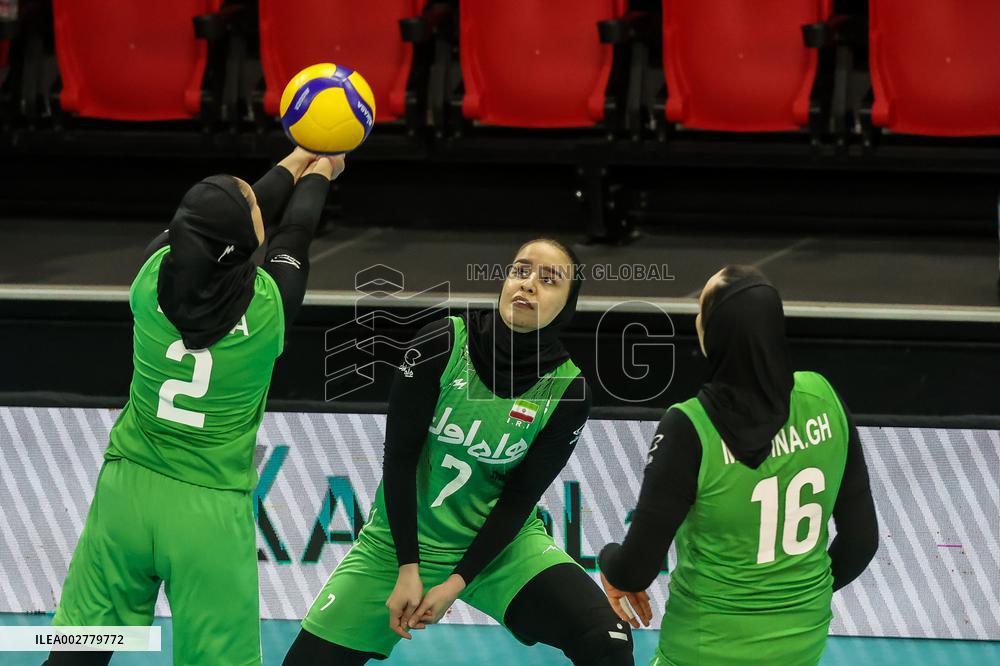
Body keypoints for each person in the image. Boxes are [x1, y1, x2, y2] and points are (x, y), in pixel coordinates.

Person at [47, 148, 346, 666]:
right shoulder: (270, 307)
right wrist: (321, 167)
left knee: (76, 654)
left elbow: (226, 222)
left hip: (127, 495)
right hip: (208, 512)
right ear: (242, 245)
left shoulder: (150, 273)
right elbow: (292, 232)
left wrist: (295, 155)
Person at [285, 239, 634, 665]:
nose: (528, 285)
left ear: (567, 304)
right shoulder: (444, 342)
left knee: (607, 639)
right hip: (400, 547)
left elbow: (519, 498)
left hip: (503, 550)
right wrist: (408, 568)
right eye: (521, 271)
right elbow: (398, 459)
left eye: (549, 280)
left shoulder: (568, 392)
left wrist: (455, 583)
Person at [599, 265, 879, 666]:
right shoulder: (823, 397)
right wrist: (793, 602)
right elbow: (862, 540)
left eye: (702, 310)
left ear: (715, 335)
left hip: (705, 645)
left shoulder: (692, 427)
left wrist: (609, 562)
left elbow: (634, 571)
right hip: (803, 638)